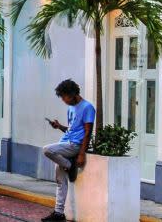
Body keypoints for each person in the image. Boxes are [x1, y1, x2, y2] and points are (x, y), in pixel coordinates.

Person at [41, 79, 95, 221]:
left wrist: (81, 154)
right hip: (66, 143)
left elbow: (88, 132)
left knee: (46, 150)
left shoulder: (87, 107)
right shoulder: (70, 108)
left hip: (75, 146)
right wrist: (59, 126)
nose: (64, 100)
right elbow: (71, 130)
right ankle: (59, 213)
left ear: (72, 94)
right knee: (60, 181)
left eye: (65, 97)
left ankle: (70, 165)